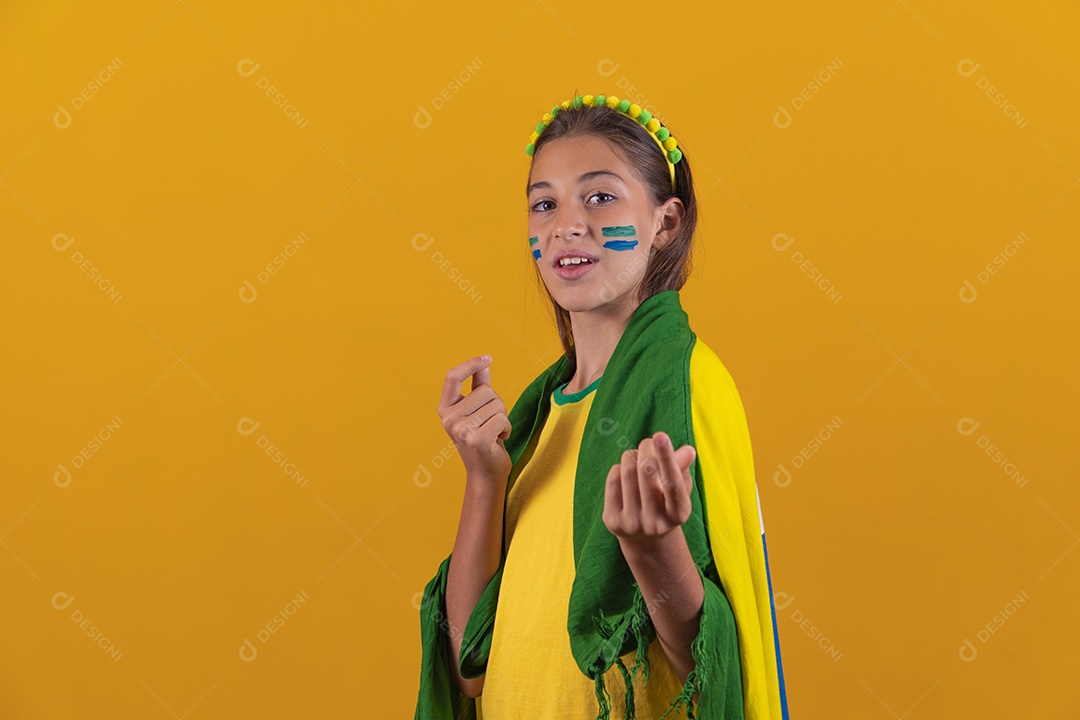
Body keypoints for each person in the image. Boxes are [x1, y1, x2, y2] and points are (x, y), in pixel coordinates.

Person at [414, 93, 789, 720]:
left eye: (600, 197)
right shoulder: (537, 420)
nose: (566, 224)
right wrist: (485, 478)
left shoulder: (689, 384)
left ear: (665, 223)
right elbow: (468, 668)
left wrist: (654, 549)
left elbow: (712, 669)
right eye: (544, 203)